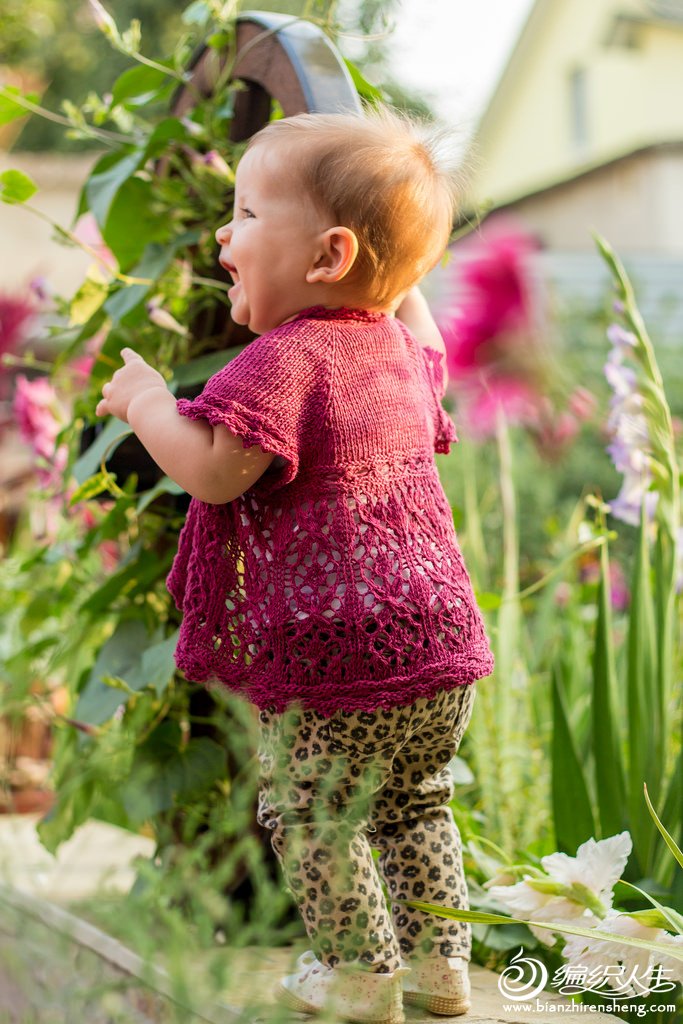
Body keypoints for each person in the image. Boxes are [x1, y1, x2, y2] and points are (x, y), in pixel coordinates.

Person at [96, 107, 495, 1024]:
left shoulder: (288, 360)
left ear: (325, 258)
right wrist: (404, 275)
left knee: (315, 815)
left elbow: (214, 471)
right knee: (415, 804)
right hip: (439, 639)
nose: (222, 234)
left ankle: (358, 971)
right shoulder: (398, 352)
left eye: (242, 215)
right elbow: (423, 327)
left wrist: (150, 402)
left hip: (341, 654)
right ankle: (442, 968)